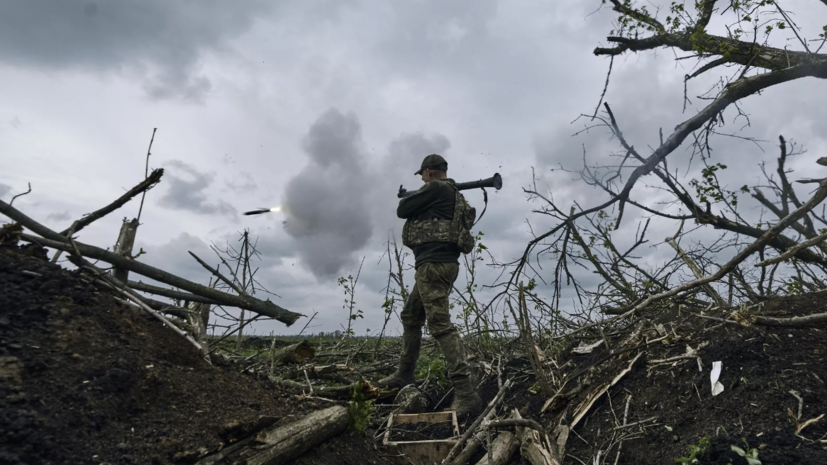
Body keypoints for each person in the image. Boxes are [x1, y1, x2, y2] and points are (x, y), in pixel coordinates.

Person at [378, 154, 483, 418]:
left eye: (422, 175)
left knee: (440, 325)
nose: (422, 179)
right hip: (438, 265)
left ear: (427, 172)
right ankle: (404, 374)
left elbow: (402, 210)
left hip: (433, 265)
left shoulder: (436, 188)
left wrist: (417, 194)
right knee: (412, 317)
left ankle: (466, 392)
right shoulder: (453, 194)